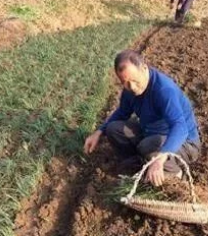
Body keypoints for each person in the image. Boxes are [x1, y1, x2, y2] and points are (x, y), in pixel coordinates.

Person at [83, 50, 201, 186]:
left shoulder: (163, 90)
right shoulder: (129, 91)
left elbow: (180, 127)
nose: (131, 87)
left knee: (148, 146)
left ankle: (179, 177)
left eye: (134, 80)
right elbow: (122, 113)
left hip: (184, 143)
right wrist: (99, 132)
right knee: (113, 129)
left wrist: (160, 157)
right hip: (151, 135)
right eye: (125, 83)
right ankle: (138, 167)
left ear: (144, 68)